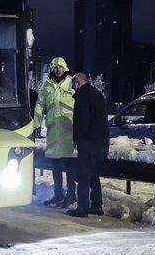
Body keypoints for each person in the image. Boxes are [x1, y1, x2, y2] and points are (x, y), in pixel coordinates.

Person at [33, 57, 77, 207]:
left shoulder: (72, 83)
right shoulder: (47, 86)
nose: (58, 70)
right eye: (55, 67)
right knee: (55, 166)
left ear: (65, 68)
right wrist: (37, 125)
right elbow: (39, 106)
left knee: (70, 165)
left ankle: (71, 195)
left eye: (60, 67)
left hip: (68, 130)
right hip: (53, 131)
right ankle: (58, 195)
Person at [69, 72, 109, 217]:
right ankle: (97, 206)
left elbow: (81, 120)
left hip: (87, 142)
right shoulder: (98, 94)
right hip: (101, 142)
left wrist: (77, 140)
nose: (73, 87)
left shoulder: (82, 96)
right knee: (94, 174)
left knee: (83, 175)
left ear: (78, 82)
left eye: (74, 84)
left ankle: (82, 208)